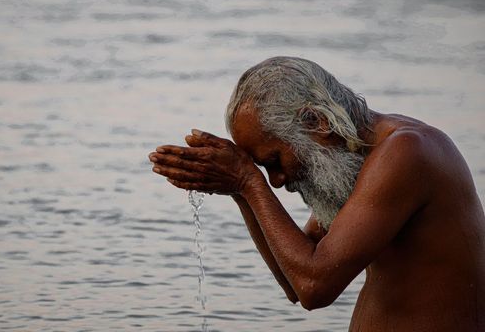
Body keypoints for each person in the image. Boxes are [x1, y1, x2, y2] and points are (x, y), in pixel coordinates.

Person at [148, 57, 485, 331]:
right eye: (265, 170)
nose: (278, 181)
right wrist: (239, 191)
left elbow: (314, 287)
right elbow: (293, 281)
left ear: (316, 122)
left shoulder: (408, 152)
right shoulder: (355, 159)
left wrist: (248, 182)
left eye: (275, 161)